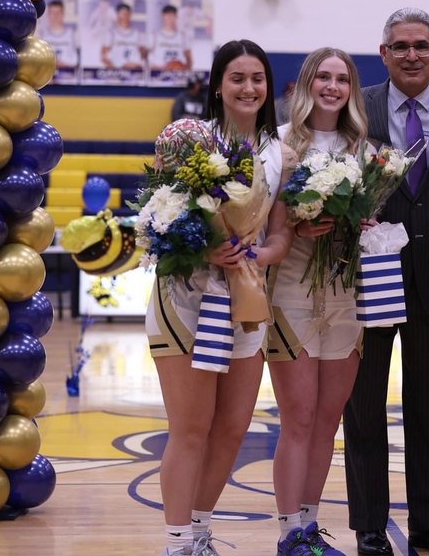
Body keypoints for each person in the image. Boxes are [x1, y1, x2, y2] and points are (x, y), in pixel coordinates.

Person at [146, 39, 294, 556]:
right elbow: (158, 220)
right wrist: (208, 251)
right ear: (217, 86)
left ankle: (201, 530)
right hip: (185, 299)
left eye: (258, 78)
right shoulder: (188, 140)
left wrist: (260, 256)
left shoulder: (281, 152)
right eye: (238, 78)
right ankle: (177, 541)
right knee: (191, 428)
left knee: (232, 428)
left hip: (246, 301)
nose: (249, 87)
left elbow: (281, 234)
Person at [343, 7, 429, 556]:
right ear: (384, 53)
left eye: (422, 45)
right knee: (363, 408)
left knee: (428, 410)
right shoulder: (356, 105)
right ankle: (370, 526)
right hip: (370, 277)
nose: (412, 54)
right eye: (400, 46)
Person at [270, 47, 371, 556]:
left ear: (351, 89)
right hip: (291, 290)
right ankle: (288, 533)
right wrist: (296, 222)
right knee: (299, 418)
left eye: (342, 79)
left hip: (346, 292)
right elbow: (265, 217)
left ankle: (309, 528)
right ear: (306, 83)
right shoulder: (282, 143)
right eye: (323, 77)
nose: (332, 87)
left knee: (329, 420)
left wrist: (365, 223)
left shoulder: (363, 150)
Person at [101, 2, 148, 70]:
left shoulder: (138, 34)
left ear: (130, 15)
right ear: (118, 15)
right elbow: (103, 56)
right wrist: (114, 69)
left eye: (127, 13)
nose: (125, 16)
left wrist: (139, 61)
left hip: (134, 71)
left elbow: (144, 55)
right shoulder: (111, 34)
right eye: (122, 13)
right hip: (116, 71)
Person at [152, 4, 193, 72]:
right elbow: (147, 60)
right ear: (163, 16)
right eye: (167, 15)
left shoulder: (182, 36)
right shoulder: (155, 35)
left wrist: (184, 68)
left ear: (176, 16)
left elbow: (189, 59)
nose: (170, 18)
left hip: (178, 73)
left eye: (172, 15)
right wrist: (162, 67)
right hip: (159, 72)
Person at [40, 0, 79, 69]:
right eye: (52, 13)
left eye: (58, 13)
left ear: (63, 14)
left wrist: (63, 64)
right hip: (48, 76)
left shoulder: (72, 34)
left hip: (68, 75)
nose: (55, 16)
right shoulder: (42, 35)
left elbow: (76, 60)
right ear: (48, 15)